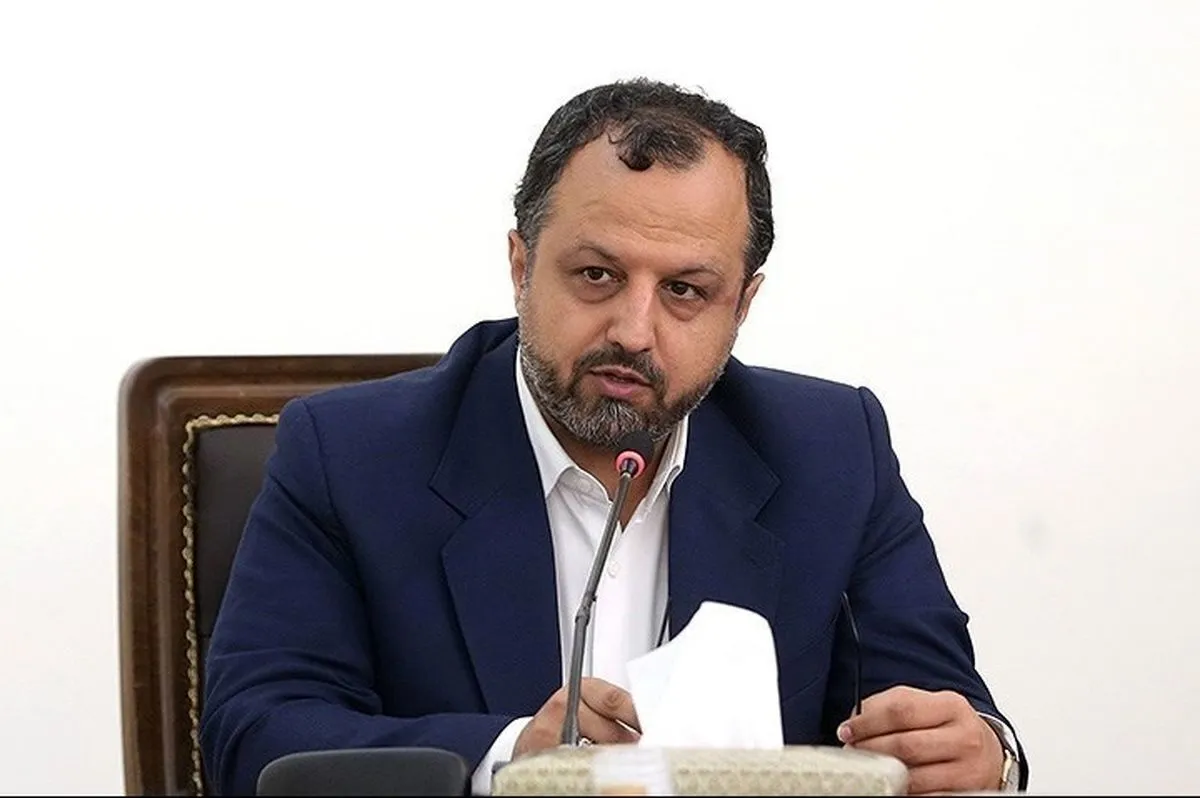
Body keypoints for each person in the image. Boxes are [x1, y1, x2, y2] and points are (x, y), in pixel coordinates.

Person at [200, 78, 1027, 795]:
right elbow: (255, 738)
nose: (634, 330)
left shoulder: (833, 452)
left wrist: (984, 752)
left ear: (742, 306)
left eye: (685, 291)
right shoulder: (350, 455)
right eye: (597, 275)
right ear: (521, 266)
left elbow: (944, 706)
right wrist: (511, 758)